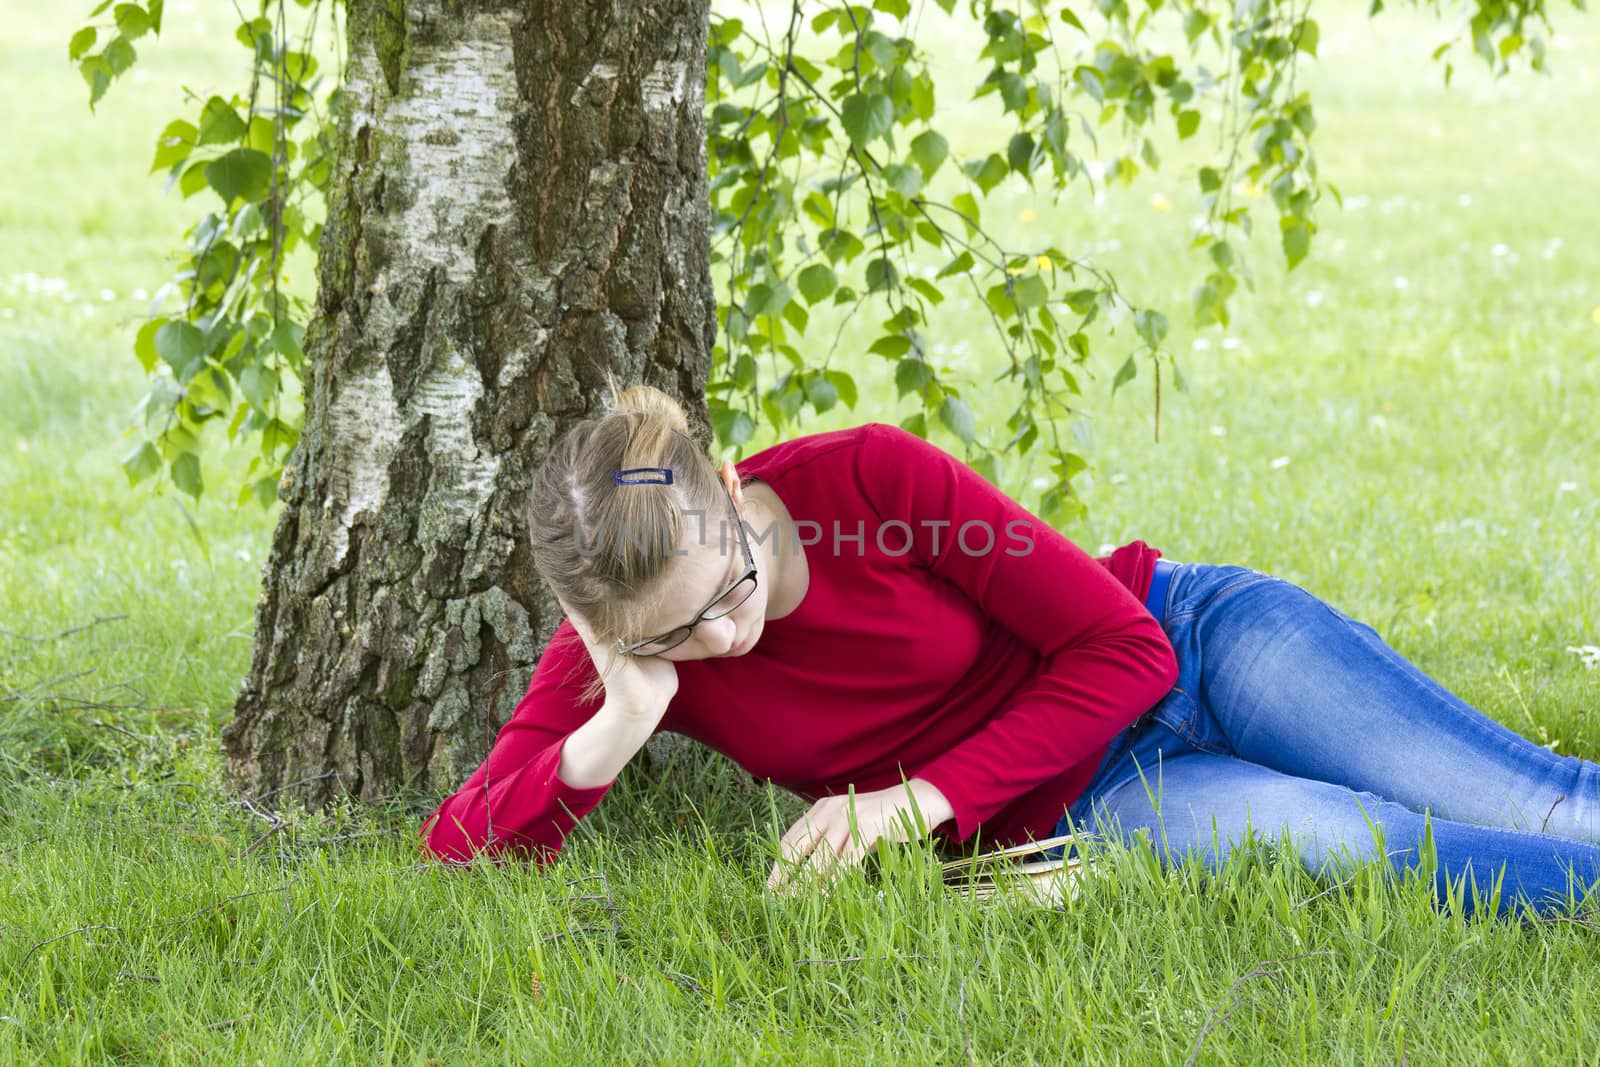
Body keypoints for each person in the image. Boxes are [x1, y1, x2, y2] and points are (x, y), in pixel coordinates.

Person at [420, 384, 1600, 918]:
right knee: (1375, 845)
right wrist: (616, 722)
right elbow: (459, 853)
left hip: (1195, 642)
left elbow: (1121, 647)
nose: (723, 634)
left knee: (1540, 805)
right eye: (680, 631)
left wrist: (907, 802)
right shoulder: (628, 651)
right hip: (1101, 794)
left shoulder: (863, 477)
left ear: (730, 488)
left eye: (729, 583)